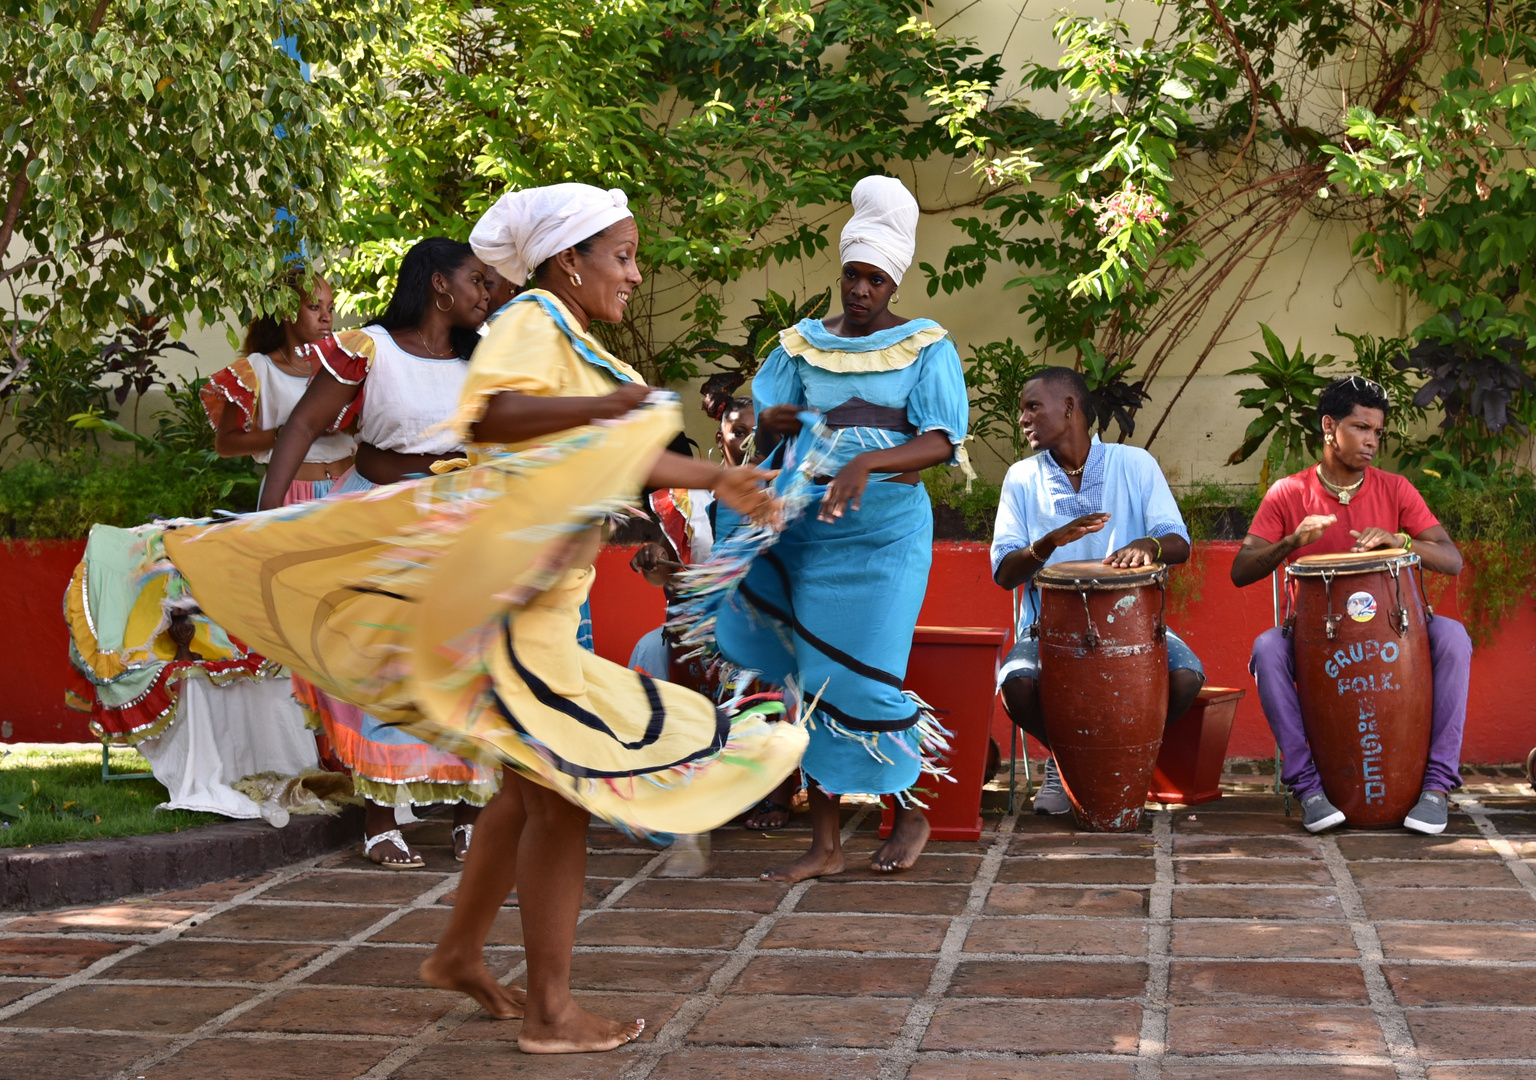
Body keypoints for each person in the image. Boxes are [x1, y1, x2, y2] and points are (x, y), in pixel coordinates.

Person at [155, 183, 805, 1053]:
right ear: (569, 260)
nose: (634, 274)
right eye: (621, 256)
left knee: (526, 794)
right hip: (515, 619)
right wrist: (608, 408)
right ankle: (550, 1014)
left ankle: (461, 953)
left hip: (537, 610)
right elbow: (491, 416)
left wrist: (716, 478)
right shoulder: (532, 321)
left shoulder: (566, 338)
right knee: (563, 800)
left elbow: (622, 454)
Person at [711, 174, 970, 880]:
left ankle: (910, 810)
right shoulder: (799, 345)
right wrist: (772, 429)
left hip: (885, 536)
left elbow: (943, 440)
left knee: (866, 678)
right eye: (853, 276)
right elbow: (771, 423)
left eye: (875, 281)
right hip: (806, 532)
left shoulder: (925, 346)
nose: (860, 291)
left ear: (893, 284)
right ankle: (825, 846)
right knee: (808, 679)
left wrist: (868, 464)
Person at [257, 238, 498, 868]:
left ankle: (471, 814)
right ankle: (381, 818)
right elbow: (302, 427)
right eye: (477, 281)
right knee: (385, 666)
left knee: (473, 667)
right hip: (379, 519)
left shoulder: (490, 357)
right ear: (439, 285)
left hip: (462, 525)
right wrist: (266, 516)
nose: (486, 293)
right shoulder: (371, 348)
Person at [1231, 375, 1471, 835]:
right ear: (1329, 427)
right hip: (1313, 634)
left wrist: (1399, 541)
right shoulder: (1288, 493)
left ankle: (1437, 787)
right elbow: (1242, 569)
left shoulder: (1396, 489)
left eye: (1377, 432)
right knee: (1267, 649)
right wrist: (1293, 540)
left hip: (1398, 632)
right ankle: (1308, 789)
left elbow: (1452, 559)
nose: (1371, 441)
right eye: (1361, 428)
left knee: (1454, 639)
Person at [990, 368, 1206, 814]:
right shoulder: (1021, 477)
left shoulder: (1134, 464)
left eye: (1033, 407)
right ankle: (1068, 762)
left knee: (1185, 677)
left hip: (1135, 627)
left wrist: (1148, 544)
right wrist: (1047, 543)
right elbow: (1005, 573)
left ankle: (1124, 757)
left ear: (1069, 407)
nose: (1024, 419)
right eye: (1022, 410)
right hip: (1046, 630)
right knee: (1018, 685)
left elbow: (1178, 543)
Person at [200, 271, 357, 505]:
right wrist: (284, 434)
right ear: (286, 312)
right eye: (314, 307)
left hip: (350, 490)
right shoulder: (257, 370)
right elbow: (225, 444)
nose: (326, 317)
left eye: (331, 308)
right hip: (292, 494)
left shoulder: (345, 366)